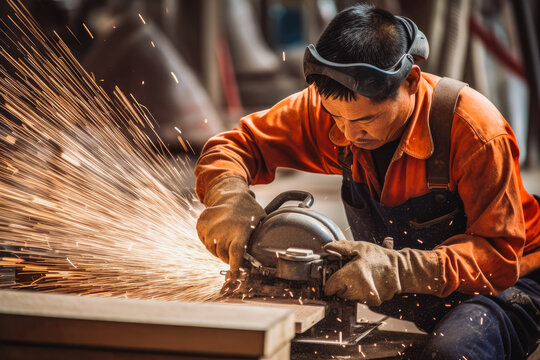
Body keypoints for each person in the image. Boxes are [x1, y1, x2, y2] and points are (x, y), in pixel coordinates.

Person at [194, 4, 540, 359]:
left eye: (366, 119)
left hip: (510, 282)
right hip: (428, 292)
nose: (347, 132)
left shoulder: (474, 132)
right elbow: (235, 145)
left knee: (455, 351)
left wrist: (399, 269)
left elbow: (499, 256)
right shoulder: (336, 108)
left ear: (410, 82)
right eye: (336, 117)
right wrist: (228, 194)